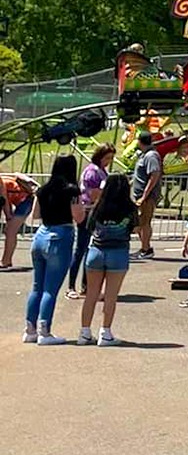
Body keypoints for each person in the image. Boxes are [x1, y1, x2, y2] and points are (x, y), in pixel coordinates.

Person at [23, 155, 84, 344]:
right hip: (61, 235)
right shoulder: (72, 190)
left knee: (37, 287)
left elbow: (35, 214)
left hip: (41, 235)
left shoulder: (43, 189)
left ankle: (30, 329)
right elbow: (79, 217)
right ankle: (44, 331)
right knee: (51, 289)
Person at [79, 174, 137, 345]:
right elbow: (134, 226)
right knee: (111, 295)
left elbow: (89, 227)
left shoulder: (98, 207)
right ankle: (105, 332)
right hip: (118, 252)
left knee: (91, 294)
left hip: (96, 251)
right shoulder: (129, 208)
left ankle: (84, 332)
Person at [67, 143, 114, 299]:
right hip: (88, 212)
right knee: (81, 249)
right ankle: (71, 285)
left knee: (90, 250)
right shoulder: (92, 172)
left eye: (111, 158)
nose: (108, 161)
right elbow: (94, 194)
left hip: (95, 211)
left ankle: (86, 286)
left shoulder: (101, 171)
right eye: (107, 158)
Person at [129, 130, 163, 258]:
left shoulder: (151, 156)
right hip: (140, 194)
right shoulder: (144, 155)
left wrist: (145, 195)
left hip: (147, 196)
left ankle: (146, 249)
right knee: (140, 221)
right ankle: (144, 247)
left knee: (145, 222)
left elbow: (154, 175)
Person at [2, 173, 39, 270]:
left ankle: (6, 261)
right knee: (8, 231)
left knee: (10, 231)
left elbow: (5, 201)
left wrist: (8, 217)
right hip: (16, 198)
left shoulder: (1, 184)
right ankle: (7, 260)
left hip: (25, 200)